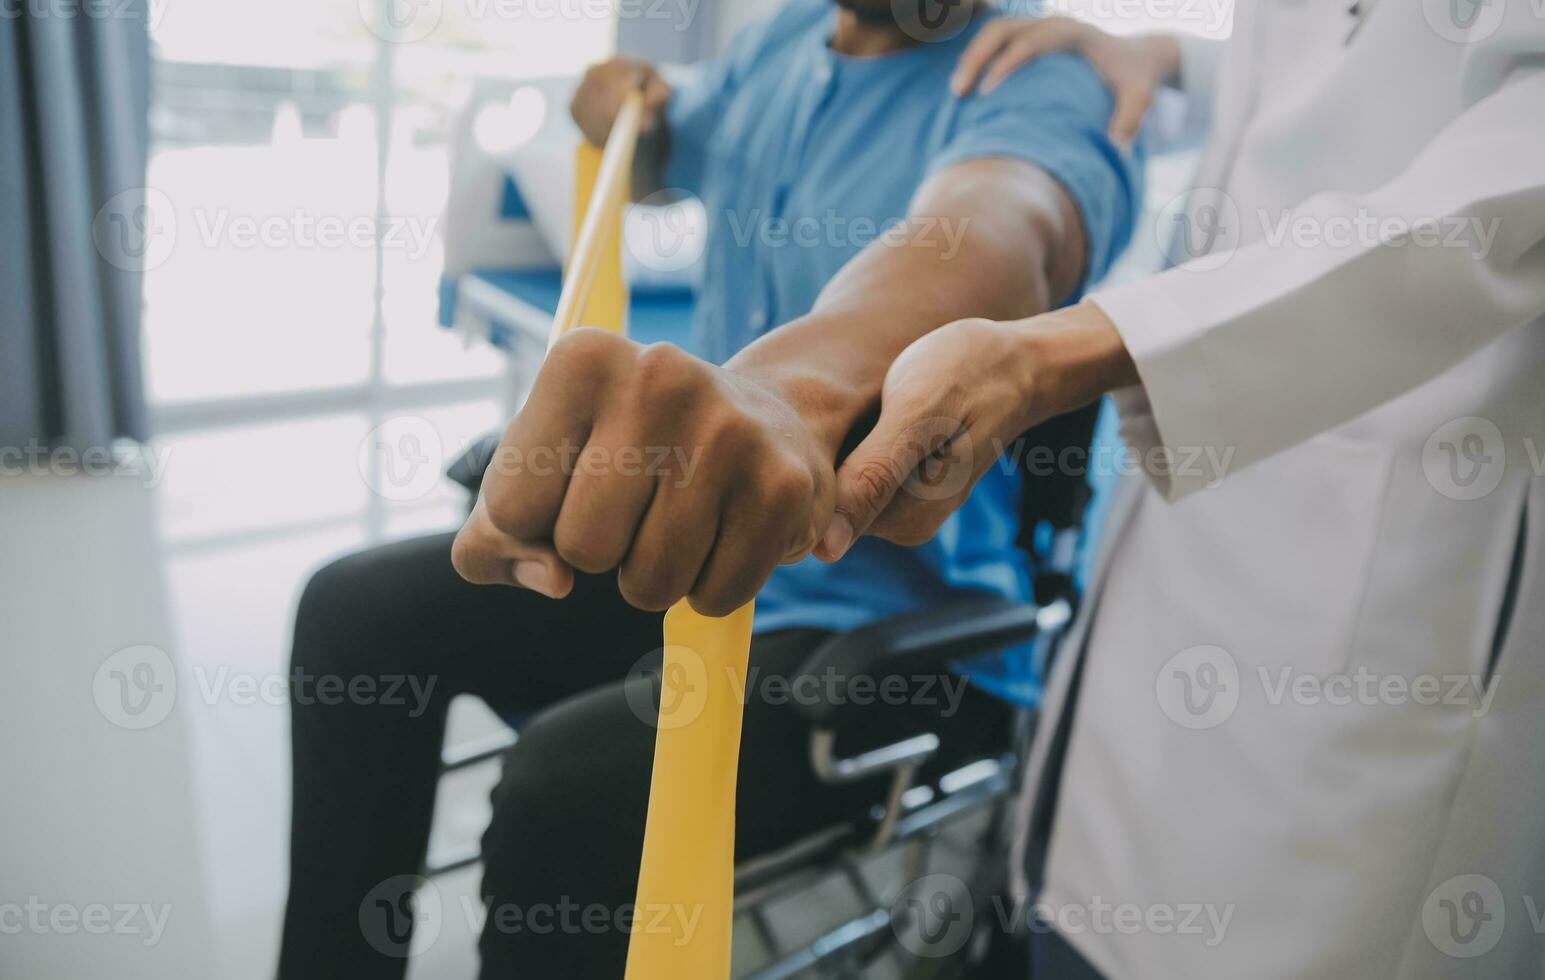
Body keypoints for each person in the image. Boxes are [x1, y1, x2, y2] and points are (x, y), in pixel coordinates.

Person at [276, 0, 1144, 975]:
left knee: (570, 788)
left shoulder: (1033, 74)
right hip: (721, 547)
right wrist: (617, 112)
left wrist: (796, 389)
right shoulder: (784, 42)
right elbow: (660, 145)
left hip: (896, 625)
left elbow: (1001, 227)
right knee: (357, 613)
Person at [804, 10, 1545, 979]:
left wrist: (1064, 351)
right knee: (1077, 909)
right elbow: (1346, 64)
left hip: (1384, 598)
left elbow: (1505, 183)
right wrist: (1173, 60)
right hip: (1175, 571)